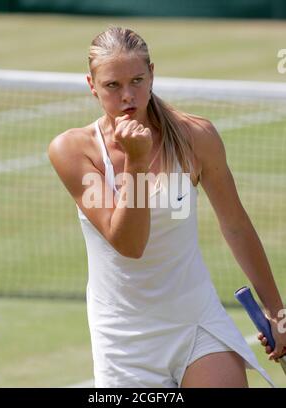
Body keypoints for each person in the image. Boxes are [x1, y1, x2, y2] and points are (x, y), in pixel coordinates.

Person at [48, 26, 285, 388]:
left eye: (138, 80)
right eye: (112, 86)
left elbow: (235, 224)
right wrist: (136, 163)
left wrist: (278, 312)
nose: (128, 96)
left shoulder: (196, 136)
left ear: (153, 74)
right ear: (92, 85)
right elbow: (129, 244)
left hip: (197, 324)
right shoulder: (72, 151)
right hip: (124, 342)